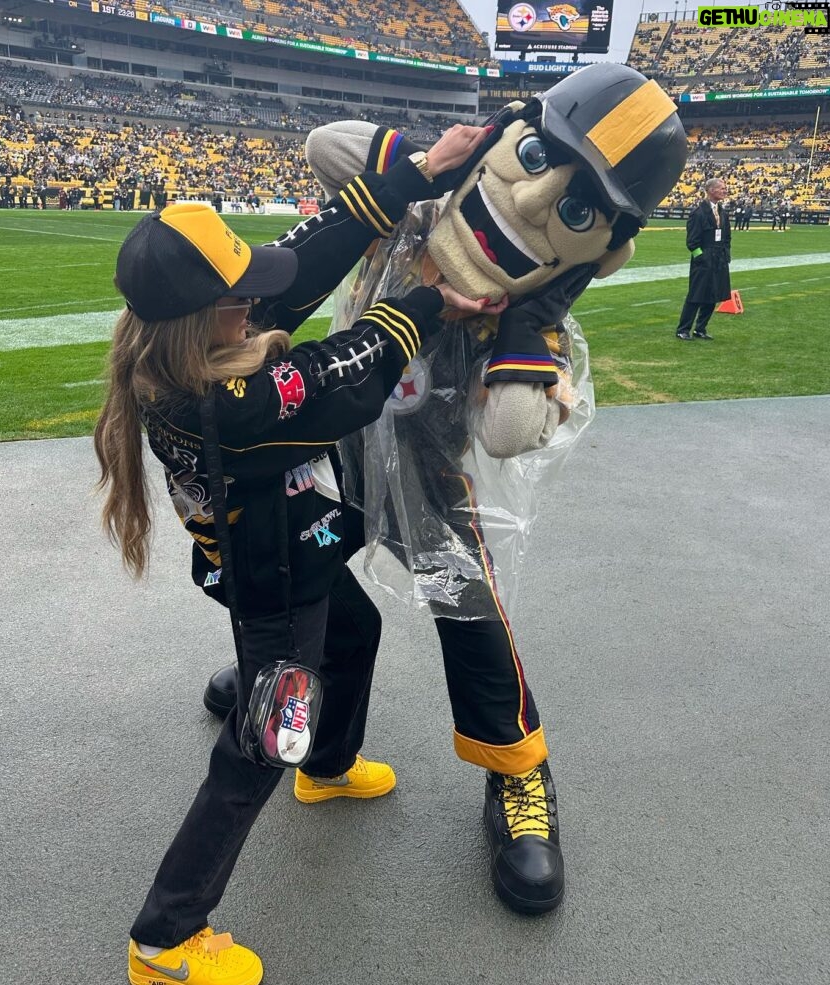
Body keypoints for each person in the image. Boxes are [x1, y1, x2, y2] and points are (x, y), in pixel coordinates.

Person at [205, 64, 688, 917]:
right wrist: (429, 164)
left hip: (425, 474)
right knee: (287, 566)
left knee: (468, 613)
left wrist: (528, 377)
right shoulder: (418, 201)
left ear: (607, 251)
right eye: (536, 153)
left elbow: (506, 429)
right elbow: (327, 147)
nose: (535, 203)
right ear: (507, 129)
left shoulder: (526, 315)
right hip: (328, 438)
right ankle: (281, 670)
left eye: (578, 211)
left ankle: (516, 772)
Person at [94, 125, 496, 985]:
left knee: (356, 631)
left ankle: (330, 764)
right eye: (245, 297)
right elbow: (339, 376)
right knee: (261, 742)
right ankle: (165, 937)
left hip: (293, 558)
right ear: (215, 318)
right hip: (271, 585)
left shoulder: (189, 342)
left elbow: (305, 255)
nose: (262, 301)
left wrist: (421, 171)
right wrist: (426, 300)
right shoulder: (226, 399)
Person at [675, 177, 731, 341]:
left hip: (719, 259)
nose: (725, 191)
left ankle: (700, 328)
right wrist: (701, 258)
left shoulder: (722, 212)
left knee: (713, 294)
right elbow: (692, 242)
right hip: (704, 260)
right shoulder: (698, 213)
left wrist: (726, 254)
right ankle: (683, 329)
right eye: (722, 188)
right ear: (711, 190)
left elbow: (727, 236)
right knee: (696, 295)